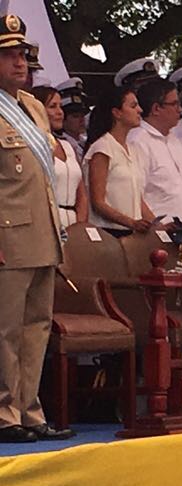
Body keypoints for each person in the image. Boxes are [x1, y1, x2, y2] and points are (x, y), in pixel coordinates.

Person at [0, 15, 72, 443]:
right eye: (8, 55)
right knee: (5, 328)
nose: (19, 62)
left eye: (22, 54)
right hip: (7, 235)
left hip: (42, 232)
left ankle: (29, 410)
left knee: (36, 326)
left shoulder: (30, 106)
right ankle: (4, 413)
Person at [84, 86, 151, 236]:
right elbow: (98, 203)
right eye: (133, 106)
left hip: (132, 232)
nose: (140, 110)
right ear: (117, 113)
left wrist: (156, 225)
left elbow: (137, 200)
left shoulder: (133, 149)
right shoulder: (103, 147)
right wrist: (131, 222)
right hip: (108, 232)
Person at [129, 78, 182, 226]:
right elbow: (134, 194)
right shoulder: (138, 141)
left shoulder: (174, 139)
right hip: (158, 233)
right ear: (156, 109)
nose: (180, 109)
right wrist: (156, 227)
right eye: (174, 104)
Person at [32, 85, 86, 229]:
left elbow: (82, 194)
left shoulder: (68, 147)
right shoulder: (31, 147)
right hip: (46, 223)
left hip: (74, 223)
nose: (59, 112)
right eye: (52, 106)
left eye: (60, 106)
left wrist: (79, 225)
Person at [55, 78, 87, 162]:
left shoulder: (85, 142)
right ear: (63, 119)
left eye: (83, 115)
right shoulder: (61, 144)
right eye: (75, 116)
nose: (82, 120)